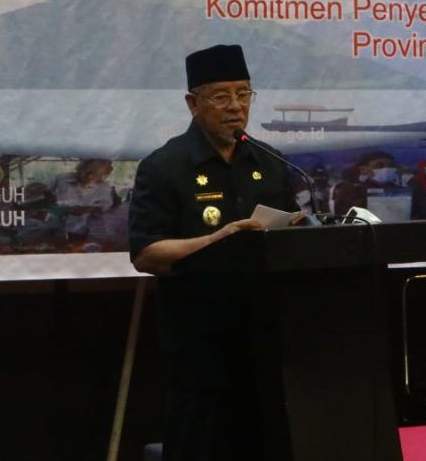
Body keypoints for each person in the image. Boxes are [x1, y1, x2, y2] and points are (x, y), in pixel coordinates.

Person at [127, 44, 301, 461]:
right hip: (199, 345)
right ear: (193, 103)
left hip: (268, 339)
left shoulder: (271, 162)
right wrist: (217, 239)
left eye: (243, 94)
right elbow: (146, 253)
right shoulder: (164, 167)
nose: (235, 106)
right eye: (221, 96)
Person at [47, 158, 119, 238]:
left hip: (81, 232)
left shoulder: (104, 188)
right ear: (81, 167)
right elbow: (46, 196)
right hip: (53, 229)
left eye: (95, 174)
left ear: (104, 175)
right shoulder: (61, 178)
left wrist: (89, 209)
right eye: (88, 172)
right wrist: (54, 206)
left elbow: (106, 206)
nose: (89, 176)